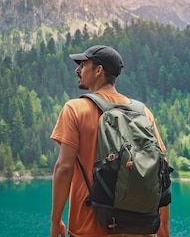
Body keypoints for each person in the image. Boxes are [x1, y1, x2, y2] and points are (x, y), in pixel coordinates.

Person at [50, 45, 170, 237]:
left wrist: (56, 222)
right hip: (140, 229)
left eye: (83, 64)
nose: (77, 70)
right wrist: (163, 227)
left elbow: (64, 168)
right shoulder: (143, 112)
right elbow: (160, 170)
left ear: (98, 70)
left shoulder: (75, 109)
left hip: (90, 229)